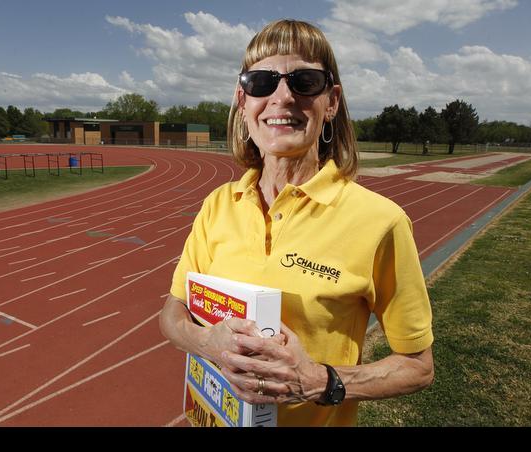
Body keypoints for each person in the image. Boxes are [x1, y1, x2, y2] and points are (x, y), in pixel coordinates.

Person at [159, 19, 434, 427]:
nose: (282, 97)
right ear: (243, 99)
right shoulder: (218, 204)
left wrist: (319, 381)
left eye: (304, 81)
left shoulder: (381, 222)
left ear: (332, 101)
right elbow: (172, 311)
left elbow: (419, 366)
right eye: (261, 81)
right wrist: (208, 342)